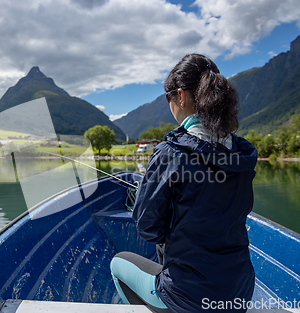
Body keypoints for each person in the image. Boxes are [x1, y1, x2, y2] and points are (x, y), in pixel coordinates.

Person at [110, 54, 257, 313]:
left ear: (180, 96)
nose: (169, 104)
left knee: (118, 263)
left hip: (190, 295)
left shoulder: (170, 153)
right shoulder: (243, 154)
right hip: (240, 293)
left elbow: (148, 229)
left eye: (167, 97)